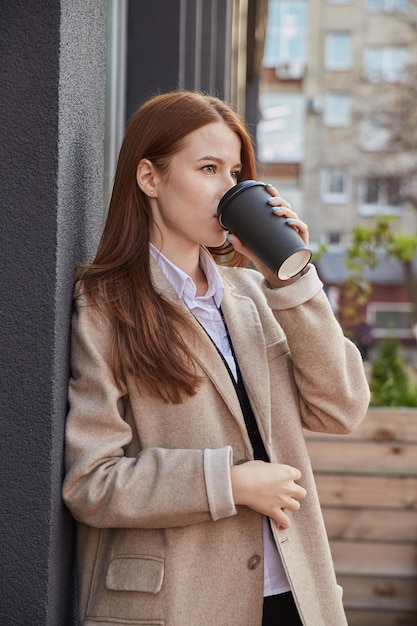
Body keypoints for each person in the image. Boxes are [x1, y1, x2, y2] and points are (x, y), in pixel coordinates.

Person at [62, 90, 370, 626]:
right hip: (179, 604)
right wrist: (231, 482)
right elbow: (92, 483)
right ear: (149, 179)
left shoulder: (254, 294)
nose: (227, 189)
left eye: (235, 173)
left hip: (296, 597)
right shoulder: (105, 306)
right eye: (208, 168)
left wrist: (292, 278)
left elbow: (341, 408)